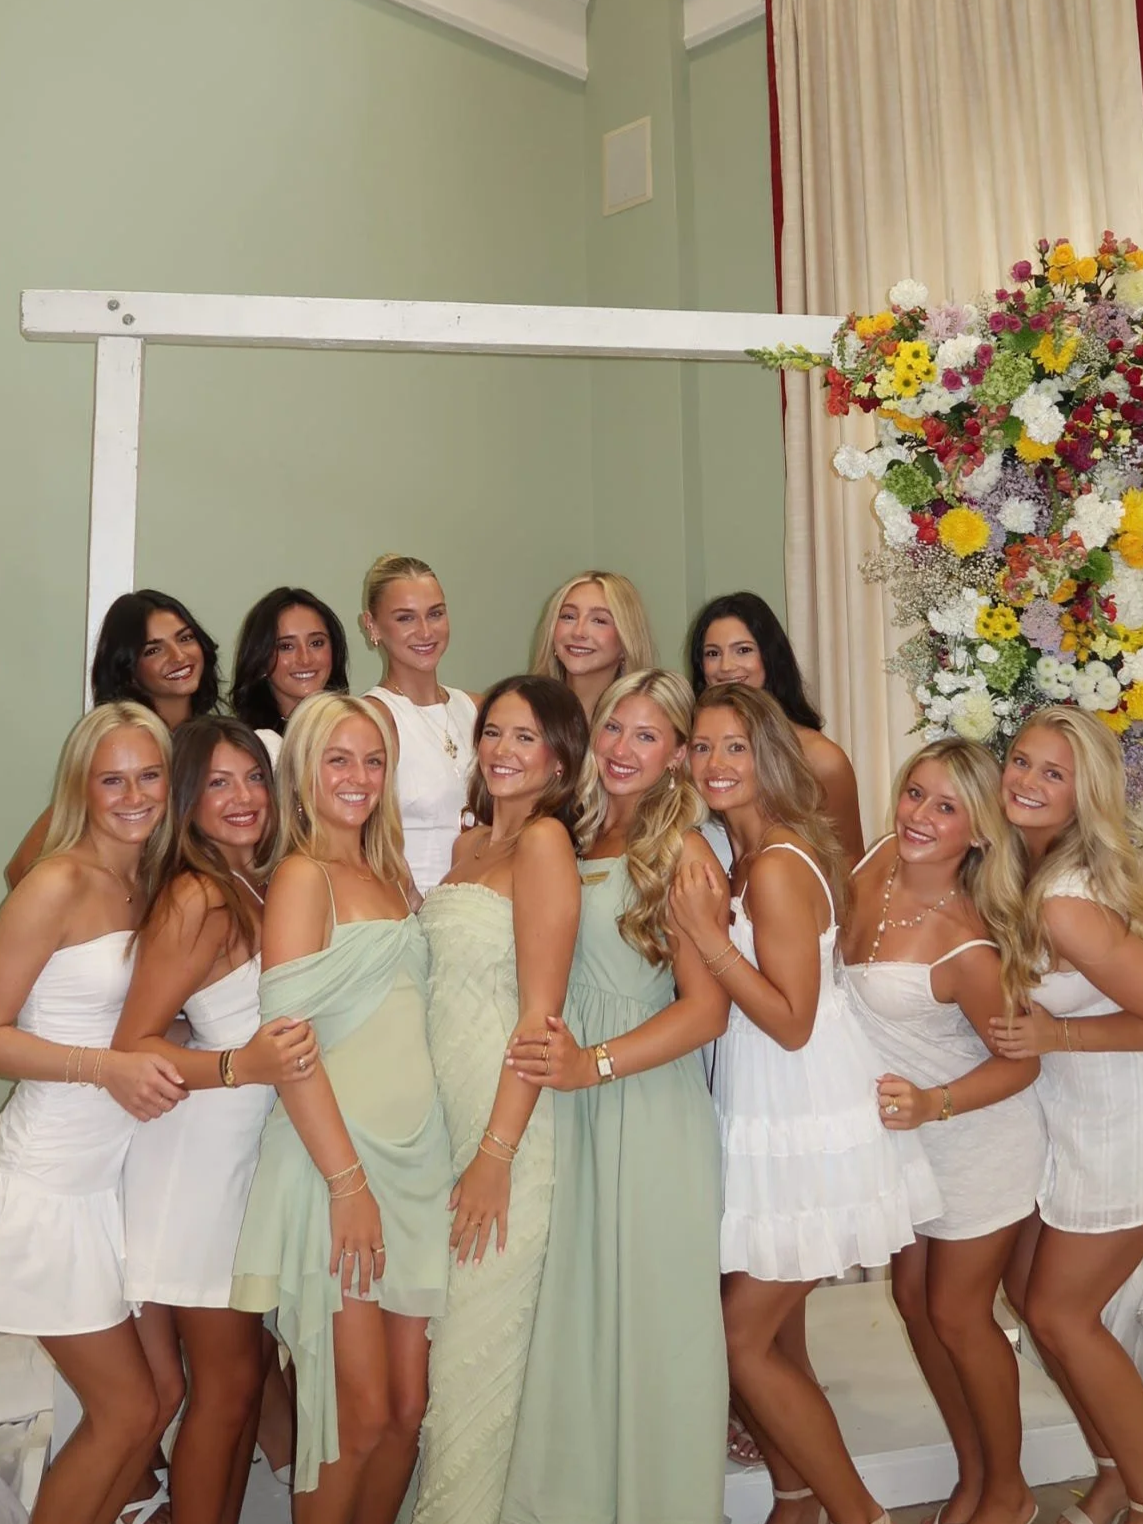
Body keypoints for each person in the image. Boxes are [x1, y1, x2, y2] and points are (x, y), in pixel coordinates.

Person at [675, 683, 941, 1524]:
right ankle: (809, 1502)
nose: (715, 764)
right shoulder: (742, 853)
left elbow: (790, 1023)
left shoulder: (782, 864)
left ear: (768, 759)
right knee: (760, 1336)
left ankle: (857, 1512)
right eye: (703, 746)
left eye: (734, 748)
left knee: (740, 1339)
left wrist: (711, 941)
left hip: (804, 1113)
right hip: (769, 1111)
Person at [501, 669, 729, 1524]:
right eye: (613, 730)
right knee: (576, 1316)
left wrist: (592, 1064)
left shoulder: (686, 852)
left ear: (676, 755)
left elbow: (706, 1013)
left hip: (645, 1106)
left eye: (647, 735)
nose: (623, 749)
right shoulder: (575, 833)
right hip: (573, 1102)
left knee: (652, 1323)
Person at [230, 693, 453, 1524]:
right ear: (303, 773)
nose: (358, 778)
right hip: (337, 1168)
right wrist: (347, 1183)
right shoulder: (300, 876)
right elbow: (289, 1051)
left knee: (405, 1413)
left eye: (372, 761)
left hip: (416, 1166)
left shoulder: (393, 875)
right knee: (347, 1419)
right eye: (338, 760)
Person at [114, 717, 320, 1524]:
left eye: (255, 779)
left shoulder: (258, 882)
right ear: (187, 802)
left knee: (238, 1387)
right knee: (228, 1389)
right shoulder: (197, 895)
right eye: (218, 784)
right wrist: (241, 1064)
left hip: (245, 1160)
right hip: (196, 1166)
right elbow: (134, 1046)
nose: (242, 798)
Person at [841, 739, 1044, 1524]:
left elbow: (1019, 1064)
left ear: (979, 831)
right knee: (913, 1303)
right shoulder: (878, 860)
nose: (919, 816)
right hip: (905, 1142)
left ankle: (1009, 1491)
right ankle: (974, 1475)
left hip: (972, 1138)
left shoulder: (967, 939)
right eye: (914, 793)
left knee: (960, 1316)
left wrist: (933, 1104)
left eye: (945, 806)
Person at [0, 702, 188, 1524]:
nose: (134, 794)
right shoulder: (57, 880)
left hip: (114, 1184)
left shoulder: (153, 881)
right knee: (123, 1412)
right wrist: (105, 1067)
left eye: (149, 774)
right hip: (47, 1188)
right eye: (112, 778)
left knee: (156, 1402)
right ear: (83, 784)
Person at [411, 676, 587, 1524]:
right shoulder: (467, 847)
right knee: (448, 1351)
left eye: (525, 737)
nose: (503, 751)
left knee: (474, 1367)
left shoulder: (545, 843)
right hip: (442, 1119)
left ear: (559, 754)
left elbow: (538, 1015)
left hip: (506, 1130)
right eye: (493, 733)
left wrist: (495, 1155)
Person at [988, 708, 1143, 1524]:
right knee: (1026, 1290)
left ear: (1085, 795)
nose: (1027, 781)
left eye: (1053, 773)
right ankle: (1117, 1473)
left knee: (1057, 1311)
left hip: (1122, 1128)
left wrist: (1057, 1032)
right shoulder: (1023, 873)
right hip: (1069, 1121)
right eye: (1021, 761)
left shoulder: (1066, 901)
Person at [5, 590, 220, 889]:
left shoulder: (216, 742)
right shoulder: (119, 749)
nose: (179, 656)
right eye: (153, 650)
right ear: (128, 669)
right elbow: (21, 868)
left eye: (184, 638)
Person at [688, 591, 863, 865]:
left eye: (743, 650)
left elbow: (851, 868)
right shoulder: (694, 750)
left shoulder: (821, 758)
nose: (725, 666)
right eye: (712, 653)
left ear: (770, 657)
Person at [361, 553, 479, 897]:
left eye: (436, 614)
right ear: (372, 626)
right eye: (405, 618)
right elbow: (361, 841)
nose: (425, 631)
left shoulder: (476, 708)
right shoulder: (371, 718)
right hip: (414, 911)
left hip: (486, 906)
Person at [231, 588, 350, 768]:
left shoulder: (357, 727)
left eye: (316, 643)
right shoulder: (250, 747)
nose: (305, 659)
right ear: (261, 659)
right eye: (286, 646)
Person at [529, 570, 656, 720]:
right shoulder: (524, 711)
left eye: (599, 621)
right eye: (568, 616)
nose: (578, 632)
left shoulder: (647, 718)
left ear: (627, 640)